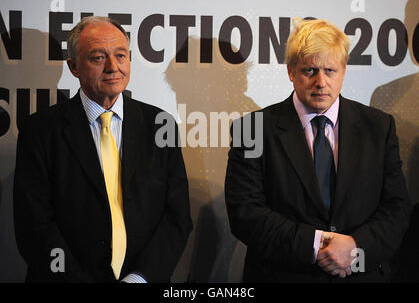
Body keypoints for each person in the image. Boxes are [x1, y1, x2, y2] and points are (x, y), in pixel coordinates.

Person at [225, 18, 411, 282]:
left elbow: (397, 207)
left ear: (344, 71)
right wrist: (318, 244)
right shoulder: (251, 129)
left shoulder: (378, 127)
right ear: (291, 72)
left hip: (361, 274)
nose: (321, 82)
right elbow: (245, 212)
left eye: (330, 70)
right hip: (284, 275)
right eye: (309, 70)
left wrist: (356, 248)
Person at [13, 16, 192, 283]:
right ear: (73, 67)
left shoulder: (160, 124)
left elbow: (176, 216)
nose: (113, 67)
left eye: (121, 55)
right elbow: (35, 226)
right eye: (98, 58)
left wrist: (140, 278)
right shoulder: (40, 131)